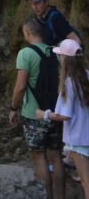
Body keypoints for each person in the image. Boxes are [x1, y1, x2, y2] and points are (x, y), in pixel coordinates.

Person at [9, 17, 65, 199]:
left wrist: (13, 108)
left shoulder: (25, 54)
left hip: (34, 115)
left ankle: (47, 196)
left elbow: (20, 87)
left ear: (27, 33)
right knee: (56, 155)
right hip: (56, 112)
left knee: (39, 155)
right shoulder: (57, 52)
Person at [41, 39, 89, 197]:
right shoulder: (87, 75)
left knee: (86, 183)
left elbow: (65, 115)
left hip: (78, 140)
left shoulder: (69, 82)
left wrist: (44, 114)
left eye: (60, 55)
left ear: (64, 59)